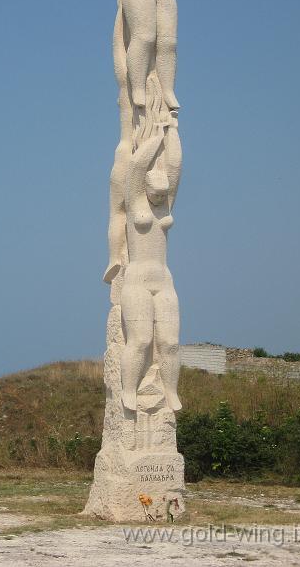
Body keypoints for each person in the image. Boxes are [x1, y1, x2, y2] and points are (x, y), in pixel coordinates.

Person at [120, 122, 182, 413]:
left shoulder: (166, 205)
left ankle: (170, 392)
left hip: (164, 279)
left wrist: (173, 133)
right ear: (146, 189)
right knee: (142, 340)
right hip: (137, 281)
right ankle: (129, 390)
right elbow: (134, 169)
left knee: (170, 342)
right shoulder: (135, 204)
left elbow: (176, 168)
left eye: (163, 193)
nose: (160, 197)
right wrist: (156, 138)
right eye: (155, 193)